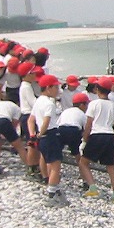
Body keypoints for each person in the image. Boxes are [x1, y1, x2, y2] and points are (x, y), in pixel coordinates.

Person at [78, 77, 114, 203]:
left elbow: (88, 124)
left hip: (97, 134)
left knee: (83, 162)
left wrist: (84, 140)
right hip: (109, 135)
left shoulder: (93, 104)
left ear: (97, 89)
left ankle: (93, 187)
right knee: (110, 166)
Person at [29, 74, 67, 207]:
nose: (58, 90)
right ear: (48, 88)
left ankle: (56, 190)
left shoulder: (38, 101)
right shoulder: (49, 104)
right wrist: (41, 133)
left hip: (43, 137)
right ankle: (51, 194)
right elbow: (46, 121)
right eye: (56, 87)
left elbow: (31, 119)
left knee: (48, 161)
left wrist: (33, 134)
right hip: (50, 135)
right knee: (56, 165)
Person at [0, 98, 27, 175]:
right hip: (3, 120)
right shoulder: (17, 109)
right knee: (19, 146)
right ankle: (30, 166)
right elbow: (14, 124)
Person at [58, 92, 88, 173]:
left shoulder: (66, 111)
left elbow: (58, 123)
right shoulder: (82, 114)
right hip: (73, 131)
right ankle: (83, 176)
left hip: (61, 129)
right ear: (82, 105)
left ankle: (53, 173)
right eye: (86, 104)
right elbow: (86, 129)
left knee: (57, 153)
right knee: (78, 155)